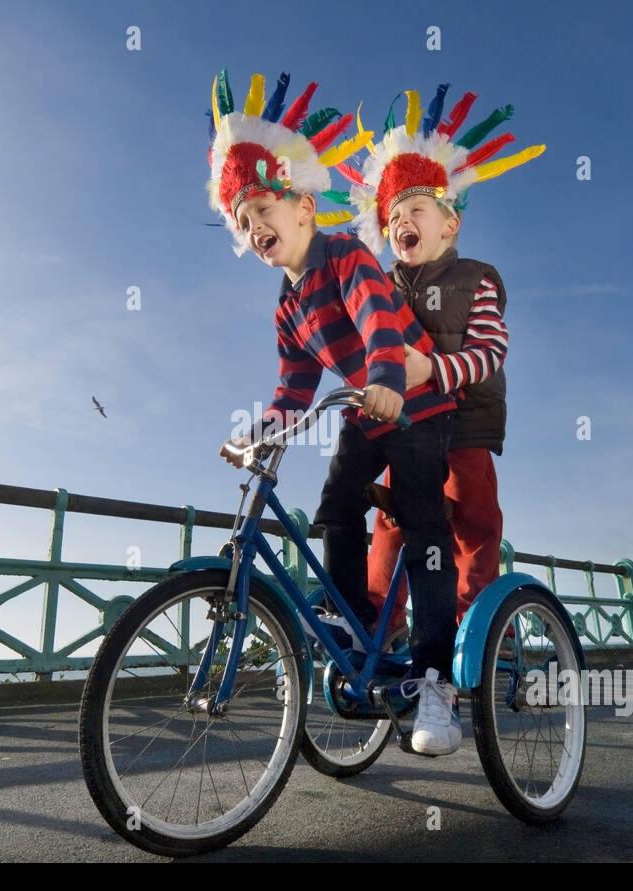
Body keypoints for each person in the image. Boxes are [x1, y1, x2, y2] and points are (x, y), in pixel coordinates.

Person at [207, 69, 461, 754]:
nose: (255, 224)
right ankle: (351, 623)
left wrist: (383, 377)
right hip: (364, 409)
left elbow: (378, 318)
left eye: (265, 207)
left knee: (421, 521)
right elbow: (293, 389)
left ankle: (437, 678)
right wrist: (257, 434)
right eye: (243, 218)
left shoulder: (347, 254)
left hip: (415, 402)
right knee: (336, 501)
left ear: (305, 209)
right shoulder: (288, 309)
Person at [343, 83, 544, 644]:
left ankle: (471, 627)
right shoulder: (380, 285)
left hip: (466, 424)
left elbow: (489, 351)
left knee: (471, 525)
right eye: (391, 217)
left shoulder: (475, 278)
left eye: (415, 209)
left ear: (450, 222)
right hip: (407, 428)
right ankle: (379, 625)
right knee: (390, 523)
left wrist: (432, 371)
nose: (400, 221)